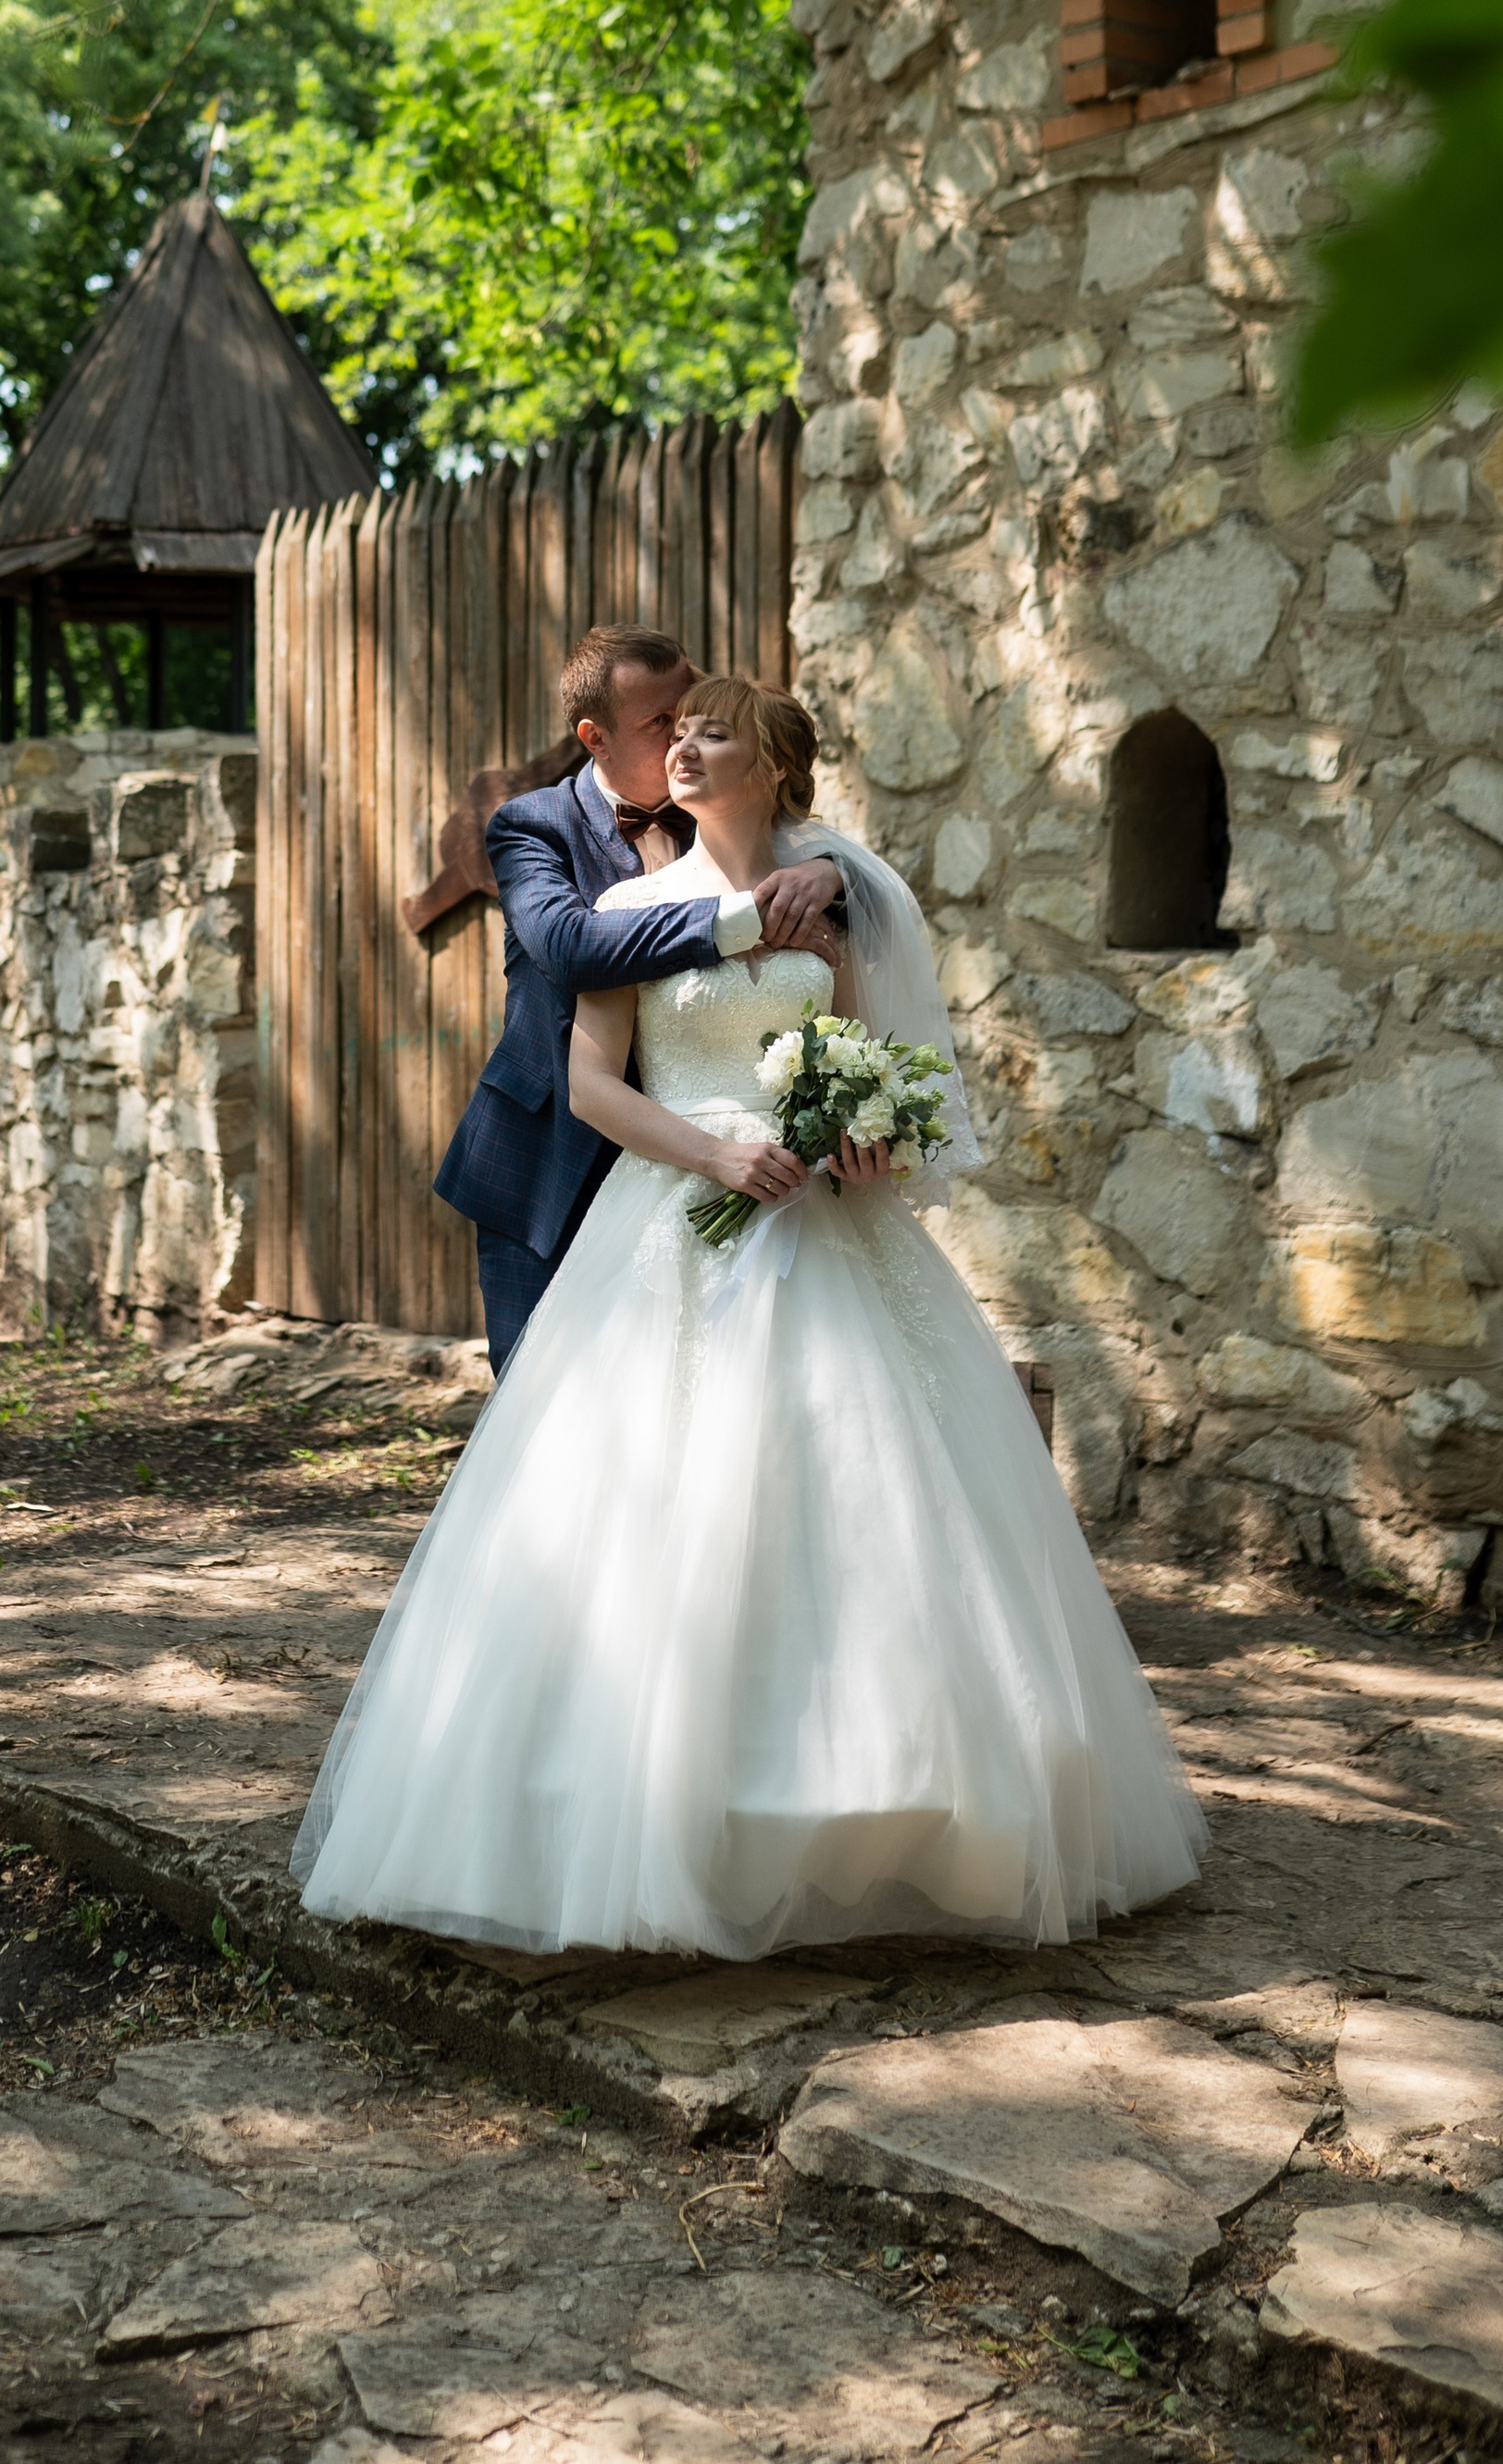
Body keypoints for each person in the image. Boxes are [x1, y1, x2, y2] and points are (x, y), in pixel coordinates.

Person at [295, 675, 1209, 1961]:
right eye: (676, 731)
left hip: (826, 1229)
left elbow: (857, 1054)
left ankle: (891, 1801)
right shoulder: (631, 909)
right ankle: (640, 1807)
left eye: (712, 731)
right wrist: (715, 1158)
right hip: (675, 1215)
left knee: (864, 1489)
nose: (682, 747)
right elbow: (595, 1088)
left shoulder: (835, 904)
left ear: (778, 766)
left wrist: (861, 1137)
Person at [433, 625, 844, 1374]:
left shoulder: (727, 799)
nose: (684, 736)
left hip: (722, 1172)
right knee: (546, 1408)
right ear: (596, 737)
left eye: (693, 711)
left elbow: (846, 908)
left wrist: (831, 874)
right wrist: (738, 921)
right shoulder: (533, 826)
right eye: (662, 723)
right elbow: (570, 948)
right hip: (552, 1158)